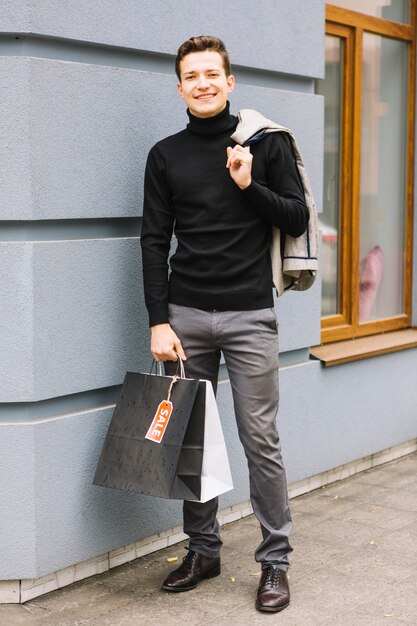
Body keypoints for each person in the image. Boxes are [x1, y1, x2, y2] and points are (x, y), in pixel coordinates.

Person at [140, 35, 309, 613]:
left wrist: (247, 183)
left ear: (230, 81)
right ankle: (204, 549)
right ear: (180, 85)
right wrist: (159, 320)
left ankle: (275, 562)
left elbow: (295, 216)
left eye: (213, 73)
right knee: (193, 438)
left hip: (250, 314)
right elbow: (154, 239)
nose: (203, 83)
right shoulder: (165, 154)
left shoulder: (263, 144)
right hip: (186, 317)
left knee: (260, 439)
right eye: (192, 75)